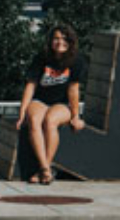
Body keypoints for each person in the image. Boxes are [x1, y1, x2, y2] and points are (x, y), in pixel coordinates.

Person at [16, 24, 85, 184]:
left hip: (61, 104)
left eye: (64, 39)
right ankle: (46, 169)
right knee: (34, 121)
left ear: (70, 41)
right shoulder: (42, 57)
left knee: (50, 121)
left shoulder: (77, 60)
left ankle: (42, 170)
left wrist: (76, 116)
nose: (59, 42)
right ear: (50, 41)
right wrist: (21, 114)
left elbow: (73, 91)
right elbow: (31, 85)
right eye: (56, 38)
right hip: (40, 101)